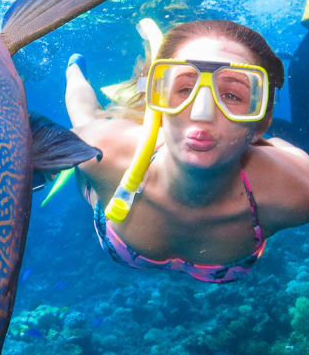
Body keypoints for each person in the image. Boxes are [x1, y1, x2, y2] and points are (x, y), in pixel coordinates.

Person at [66, 19, 309, 282]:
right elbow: (85, 119)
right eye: (184, 89)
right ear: (157, 102)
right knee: (87, 119)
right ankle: (73, 70)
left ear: (262, 123)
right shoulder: (105, 154)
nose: (201, 113)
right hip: (116, 168)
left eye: (231, 96)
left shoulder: (297, 190)